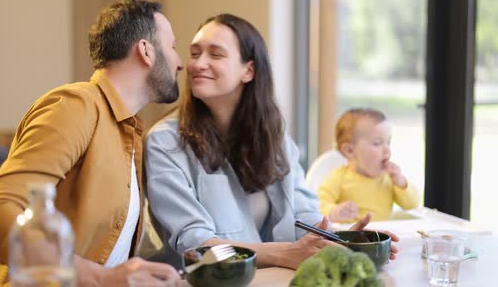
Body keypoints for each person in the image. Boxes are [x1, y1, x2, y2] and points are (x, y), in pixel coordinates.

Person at [144, 14, 398, 270]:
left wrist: (339, 240)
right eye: (195, 53)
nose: (199, 63)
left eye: (216, 54)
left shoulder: (273, 135)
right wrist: (282, 254)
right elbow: (195, 247)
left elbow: (304, 213)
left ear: (249, 70)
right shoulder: (164, 142)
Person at [0, 0, 183, 286]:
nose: (180, 63)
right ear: (146, 51)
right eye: (173, 47)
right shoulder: (76, 106)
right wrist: (101, 278)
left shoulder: (129, 131)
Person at [317, 108, 420, 223]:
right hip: (352, 238)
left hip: (384, 237)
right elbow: (317, 206)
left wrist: (401, 182)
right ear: (350, 150)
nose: (387, 149)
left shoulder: (389, 179)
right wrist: (335, 211)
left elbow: (412, 205)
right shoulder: (339, 177)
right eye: (377, 143)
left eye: (388, 142)